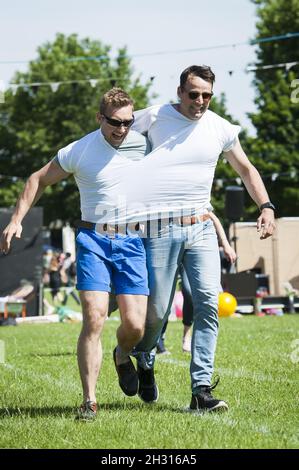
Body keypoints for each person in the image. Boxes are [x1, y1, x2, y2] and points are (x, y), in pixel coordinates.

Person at [127, 65, 275, 412]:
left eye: (207, 95)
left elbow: (246, 169)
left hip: (202, 227)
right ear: (180, 91)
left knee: (208, 301)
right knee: (156, 314)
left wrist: (266, 205)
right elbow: (112, 137)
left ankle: (201, 391)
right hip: (158, 228)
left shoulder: (220, 127)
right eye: (194, 94)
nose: (200, 101)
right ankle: (144, 357)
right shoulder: (154, 117)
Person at [0, 88, 150, 420]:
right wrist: (16, 219)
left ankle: (122, 355)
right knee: (94, 317)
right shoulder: (79, 150)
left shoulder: (143, 144)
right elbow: (37, 180)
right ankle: (89, 401)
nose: (122, 129)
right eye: (114, 122)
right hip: (92, 239)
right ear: (100, 118)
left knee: (135, 326)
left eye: (128, 122)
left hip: (132, 242)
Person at [181, 211, 237, 353]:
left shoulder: (198, 199)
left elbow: (213, 218)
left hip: (195, 249)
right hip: (171, 244)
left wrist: (226, 244)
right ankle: (157, 341)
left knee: (189, 293)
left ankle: (187, 337)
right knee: (161, 298)